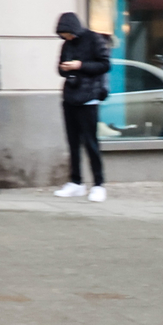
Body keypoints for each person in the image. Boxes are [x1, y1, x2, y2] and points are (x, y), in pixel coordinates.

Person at [52, 11, 108, 202]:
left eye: (66, 33)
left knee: (91, 143)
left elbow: (104, 64)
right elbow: (59, 68)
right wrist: (64, 68)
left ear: (73, 28)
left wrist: (79, 65)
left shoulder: (94, 39)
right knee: (73, 143)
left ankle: (99, 185)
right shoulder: (66, 45)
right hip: (70, 98)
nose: (65, 37)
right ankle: (76, 182)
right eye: (62, 34)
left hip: (89, 98)